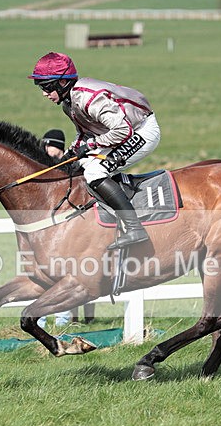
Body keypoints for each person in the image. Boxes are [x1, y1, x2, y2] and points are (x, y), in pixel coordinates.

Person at [28, 52, 161, 251]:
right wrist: (70, 154)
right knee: (79, 165)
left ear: (62, 83)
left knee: (94, 171)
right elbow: (85, 133)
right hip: (118, 131)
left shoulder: (89, 98)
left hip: (142, 130)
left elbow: (123, 131)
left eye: (47, 87)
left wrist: (91, 146)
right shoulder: (68, 103)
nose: (44, 93)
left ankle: (135, 228)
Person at [37, 128, 96, 328]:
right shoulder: (45, 168)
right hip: (51, 229)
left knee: (68, 274)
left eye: (49, 145)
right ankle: (44, 320)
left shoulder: (71, 165)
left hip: (72, 227)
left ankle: (66, 322)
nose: (46, 149)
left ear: (59, 147)